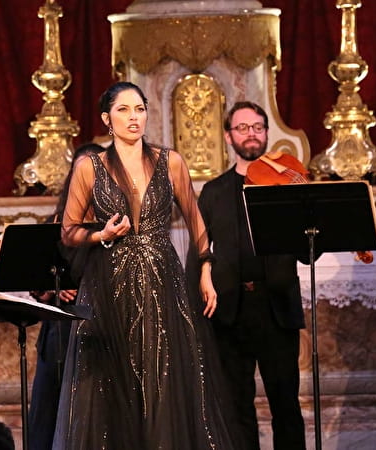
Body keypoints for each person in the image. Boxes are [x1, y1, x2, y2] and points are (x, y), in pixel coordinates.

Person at [52, 81, 240, 449]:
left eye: (139, 109)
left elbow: (196, 220)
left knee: (163, 375)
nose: (133, 117)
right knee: (111, 382)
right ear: (107, 119)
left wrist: (206, 270)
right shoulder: (90, 166)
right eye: (123, 110)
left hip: (162, 281)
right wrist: (101, 234)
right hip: (110, 284)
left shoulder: (170, 161)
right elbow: (68, 231)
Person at [190, 101, 306, 450]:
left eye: (257, 127)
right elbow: (200, 250)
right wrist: (203, 282)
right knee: (236, 408)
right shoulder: (214, 191)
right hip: (230, 310)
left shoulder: (286, 184)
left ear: (267, 133)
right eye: (242, 128)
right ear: (228, 137)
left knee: (286, 406)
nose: (251, 134)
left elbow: (306, 249)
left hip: (276, 307)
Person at [28, 142, 104, 450]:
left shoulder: (115, 224)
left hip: (101, 329)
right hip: (60, 329)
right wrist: (51, 289)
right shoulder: (55, 224)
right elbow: (37, 285)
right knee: (52, 411)